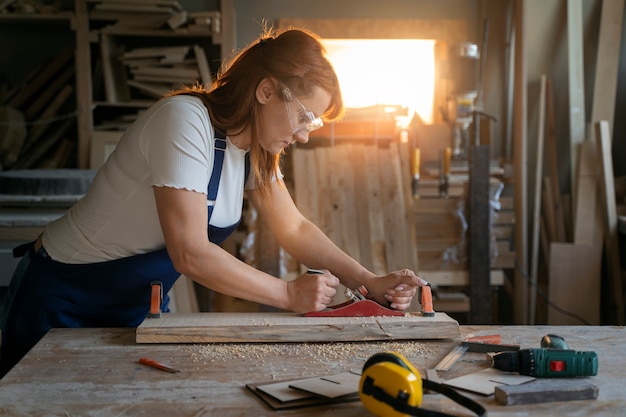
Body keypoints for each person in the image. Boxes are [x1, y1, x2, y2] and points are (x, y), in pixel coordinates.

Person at [0, 27, 426, 377]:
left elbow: (293, 228)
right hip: (61, 299)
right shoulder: (184, 122)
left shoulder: (256, 150)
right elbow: (189, 253)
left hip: (133, 308)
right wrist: (287, 294)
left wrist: (367, 281)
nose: (303, 135)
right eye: (304, 117)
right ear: (265, 91)